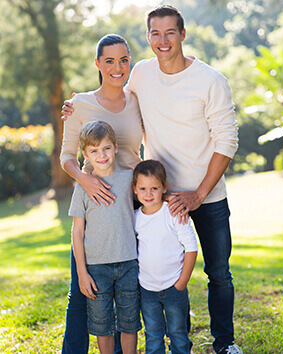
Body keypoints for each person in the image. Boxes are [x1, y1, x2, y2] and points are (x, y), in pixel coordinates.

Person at [61, 5, 242, 353]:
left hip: (180, 197)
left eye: (170, 32)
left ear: (182, 35)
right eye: (155, 34)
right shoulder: (126, 82)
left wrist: (197, 194)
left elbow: (225, 140)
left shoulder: (197, 82)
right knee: (122, 280)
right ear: (148, 38)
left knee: (207, 273)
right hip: (131, 198)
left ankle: (216, 343)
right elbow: (81, 137)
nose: (163, 40)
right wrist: (76, 112)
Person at [60, 34, 143, 354]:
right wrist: (85, 179)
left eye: (124, 59)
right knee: (84, 291)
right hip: (94, 201)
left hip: (133, 202)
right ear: (97, 64)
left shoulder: (138, 99)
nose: (117, 67)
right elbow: (67, 155)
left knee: (130, 291)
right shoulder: (79, 103)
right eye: (109, 60)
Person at [68, 120, 141, 354]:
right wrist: (81, 272)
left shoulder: (129, 179)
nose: (102, 155)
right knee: (102, 327)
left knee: (130, 322)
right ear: (85, 154)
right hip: (96, 268)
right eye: (94, 150)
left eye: (106, 148)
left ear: (116, 147)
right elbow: (77, 232)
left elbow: (152, 196)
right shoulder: (82, 188)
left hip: (129, 263)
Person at [132, 160, 198, 353]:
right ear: (134, 189)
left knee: (178, 332)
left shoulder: (174, 213)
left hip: (174, 287)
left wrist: (182, 282)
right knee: (153, 334)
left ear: (164, 188)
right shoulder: (135, 217)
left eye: (154, 188)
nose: (148, 193)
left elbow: (191, 247)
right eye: (143, 188)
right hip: (147, 289)